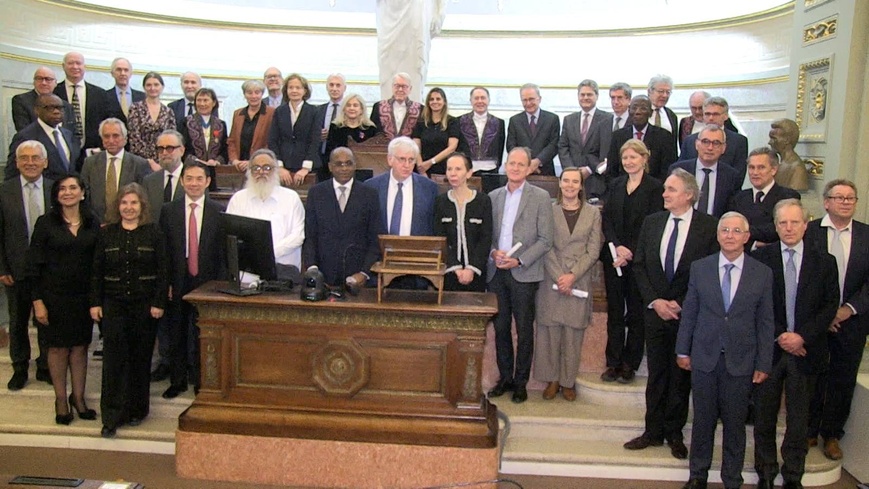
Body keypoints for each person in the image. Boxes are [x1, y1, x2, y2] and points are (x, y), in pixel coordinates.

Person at [675, 211, 774, 489]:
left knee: (735, 424)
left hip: (741, 361)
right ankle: (698, 476)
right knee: (702, 422)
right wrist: (683, 350)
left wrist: (764, 363)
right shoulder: (700, 267)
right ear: (718, 235)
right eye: (725, 230)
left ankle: (732, 478)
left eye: (736, 231)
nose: (730, 236)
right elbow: (690, 312)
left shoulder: (762, 273)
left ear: (746, 236)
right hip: (704, 357)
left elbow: (766, 321)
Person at [624, 168, 719, 460]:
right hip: (655, 312)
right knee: (656, 375)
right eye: (665, 189)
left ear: (689, 194)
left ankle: (674, 433)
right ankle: (651, 431)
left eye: (671, 189)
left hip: (688, 314)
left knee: (680, 377)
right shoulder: (652, 222)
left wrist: (679, 302)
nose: (664, 194)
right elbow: (639, 265)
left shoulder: (708, 226)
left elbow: (709, 271)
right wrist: (656, 301)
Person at [752, 199, 838, 489]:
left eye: (794, 222)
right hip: (770, 351)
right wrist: (782, 336)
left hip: (806, 350)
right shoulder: (761, 260)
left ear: (805, 224)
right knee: (764, 416)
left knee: (799, 421)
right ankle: (765, 472)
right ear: (775, 226)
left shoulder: (825, 261)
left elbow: (829, 306)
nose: (788, 228)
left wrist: (801, 336)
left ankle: (792, 475)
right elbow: (758, 306)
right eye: (782, 223)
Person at [90, 183, 168, 438]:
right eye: (124, 203)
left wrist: (158, 303)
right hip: (113, 305)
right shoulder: (106, 234)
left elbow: (163, 270)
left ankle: (137, 410)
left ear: (142, 206)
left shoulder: (153, 232)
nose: (129, 208)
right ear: (118, 206)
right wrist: (95, 303)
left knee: (139, 359)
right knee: (113, 361)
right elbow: (96, 271)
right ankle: (111, 416)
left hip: (145, 307)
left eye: (134, 203)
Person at [26, 174, 100, 424]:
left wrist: (96, 300)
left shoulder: (92, 222)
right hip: (53, 298)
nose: (68, 192)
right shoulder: (45, 223)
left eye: (73, 188)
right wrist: (37, 301)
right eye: (62, 189)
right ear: (56, 195)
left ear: (82, 192)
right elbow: (33, 265)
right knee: (57, 349)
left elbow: (97, 265)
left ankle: (78, 398)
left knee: (80, 348)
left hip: (83, 299)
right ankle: (60, 399)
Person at [806, 179, 869, 461]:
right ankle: (808, 429)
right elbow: (804, 278)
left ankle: (832, 434)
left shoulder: (867, 235)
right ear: (826, 202)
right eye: (839, 197)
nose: (845, 202)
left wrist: (848, 309)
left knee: (843, 379)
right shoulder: (809, 233)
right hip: (816, 320)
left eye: (850, 198)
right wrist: (825, 315)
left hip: (853, 321)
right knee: (813, 376)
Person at [486, 147, 555, 404]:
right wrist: (493, 253)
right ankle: (505, 378)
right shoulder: (493, 196)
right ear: (505, 166)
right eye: (511, 163)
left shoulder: (541, 197)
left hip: (524, 272)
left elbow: (545, 239)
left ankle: (520, 382)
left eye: (520, 164)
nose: (515, 168)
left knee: (524, 329)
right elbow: (487, 235)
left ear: (529, 168)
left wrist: (519, 259)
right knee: (501, 327)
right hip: (496, 272)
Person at [534, 167, 601, 401]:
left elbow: (593, 250)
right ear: (560, 184)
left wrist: (572, 275)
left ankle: (568, 381)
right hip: (551, 277)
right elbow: (544, 244)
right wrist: (559, 275)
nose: (571, 185)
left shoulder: (593, 213)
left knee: (573, 333)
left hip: (579, 279)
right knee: (550, 331)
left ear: (581, 186)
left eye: (575, 181)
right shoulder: (548, 210)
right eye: (566, 181)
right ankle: (552, 379)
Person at [160, 161, 226, 399]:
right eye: (189, 178)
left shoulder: (219, 211)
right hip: (178, 279)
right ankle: (177, 381)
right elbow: (164, 251)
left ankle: (201, 381)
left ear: (208, 182)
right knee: (176, 331)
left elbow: (222, 253)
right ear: (182, 181)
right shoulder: (169, 211)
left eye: (199, 179)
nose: (194, 183)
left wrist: (220, 286)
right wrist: (165, 283)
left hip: (207, 282)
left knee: (203, 333)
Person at [600, 140, 664, 384]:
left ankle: (630, 363)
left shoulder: (655, 188)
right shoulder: (615, 184)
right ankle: (613, 362)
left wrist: (632, 252)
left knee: (637, 312)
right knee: (615, 311)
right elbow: (607, 220)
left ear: (644, 158)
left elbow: (654, 224)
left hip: (640, 261)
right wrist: (617, 248)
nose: (628, 162)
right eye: (625, 158)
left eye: (633, 157)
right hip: (614, 258)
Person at [1, 141, 52, 390]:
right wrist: (2, 268)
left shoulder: (56, 189)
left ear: (45, 162)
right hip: (16, 269)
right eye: (25, 158)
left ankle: (45, 366)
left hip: (49, 270)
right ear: (17, 162)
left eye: (35, 157)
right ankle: (20, 367)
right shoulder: (5, 190)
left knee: (46, 320)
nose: (30, 162)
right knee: (18, 321)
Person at [303, 147, 382, 287]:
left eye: (348, 163)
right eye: (339, 164)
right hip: (323, 276)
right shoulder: (316, 193)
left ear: (355, 165)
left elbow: (375, 237)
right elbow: (310, 235)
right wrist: (312, 268)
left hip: (357, 276)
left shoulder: (369, 195)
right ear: (330, 167)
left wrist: (364, 273)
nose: (344, 168)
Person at [142, 130, 186, 383]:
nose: (166, 153)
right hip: (157, 258)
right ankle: (165, 360)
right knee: (162, 315)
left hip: (185, 257)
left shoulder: (193, 177)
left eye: (171, 148)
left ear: (182, 150)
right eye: (161, 149)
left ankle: (185, 363)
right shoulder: (149, 181)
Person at [226, 149, 305, 274]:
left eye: (267, 168)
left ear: (276, 171)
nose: (261, 172)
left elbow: (298, 235)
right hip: (247, 270)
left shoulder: (291, 198)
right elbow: (231, 234)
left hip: (284, 269)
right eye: (256, 168)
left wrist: (268, 253)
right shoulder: (238, 199)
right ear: (249, 172)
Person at [433, 152, 493, 292]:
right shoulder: (440, 202)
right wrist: (455, 267)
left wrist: (472, 269)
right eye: (449, 169)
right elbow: (440, 238)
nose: (453, 173)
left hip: (476, 273)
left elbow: (485, 238)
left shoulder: (483, 201)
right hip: (449, 272)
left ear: (469, 173)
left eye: (458, 169)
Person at [727, 147, 801, 251]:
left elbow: (777, 230)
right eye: (751, 167)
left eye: (761, 167)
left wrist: (743, 231)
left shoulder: (788, 196)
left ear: (774, 170)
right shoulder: (738, 198)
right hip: (743, 257)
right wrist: (754, 243)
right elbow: (730, 229)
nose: (755, 172)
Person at [365, 136, 438, 237]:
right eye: (402, 159)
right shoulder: (372, 187)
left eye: (411, 160)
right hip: (379, 251)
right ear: (390, 159)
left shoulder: (429, 188)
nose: (407, 165)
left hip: (416, 250)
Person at [81, 118, 151, 223]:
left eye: (116, 136)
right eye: (106, 136)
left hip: (129, 224)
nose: (111, 140)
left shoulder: (139, 164)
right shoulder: (90, 163)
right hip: (97, 224)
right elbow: (84, 195)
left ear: (125, 138)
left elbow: (144, 199)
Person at [557, 79, 613, 199]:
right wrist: (572, 171)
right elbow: (563, 147)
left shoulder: (607, 119)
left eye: (589, 94)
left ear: (597, 96)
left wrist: (590, 168)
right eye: (582, 94)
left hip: (596, 180)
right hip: (571, 181)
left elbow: (607, 148)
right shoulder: (569, 119)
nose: (585, 97)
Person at [669, 125, 740, 219]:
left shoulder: (731, 176)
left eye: (716, 143)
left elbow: (730, 212)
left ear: (723, 148)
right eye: (705, 142)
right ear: (696, 144)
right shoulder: (679, 170)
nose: (710, 148)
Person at [7, 94, 81, 180]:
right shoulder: (25, 136)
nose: (56, 111)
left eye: (60, 108)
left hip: (66, 191)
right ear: (37, 110)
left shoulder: (68, 134)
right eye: (50, 108)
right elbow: (12, 172)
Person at [679, 97, 749, 188]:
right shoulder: (690, 141)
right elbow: (681, 171)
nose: (711, 118)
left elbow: (739, 175)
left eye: (716, 114)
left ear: (726, 116)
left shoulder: (739, 141)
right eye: (707, 114)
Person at [607, 95, 677, 182]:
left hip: (654, 189)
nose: (638, 112)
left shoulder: (664, 136)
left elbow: (667, 169)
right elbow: (611, 169)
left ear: (651, 112)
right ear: (629, 111)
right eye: (634, 108)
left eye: (643, 108)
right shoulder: (618, 136)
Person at [268, 73, 320, 187]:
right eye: (291, 87)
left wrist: (305, 168)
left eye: (298, 87)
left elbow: (315, 140)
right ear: (286, 90)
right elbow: (273, 140)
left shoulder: (314, 111)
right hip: (283, 166)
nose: (294, 90)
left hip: (306, 167)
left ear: (305, 91)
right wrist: (279, 167)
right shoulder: (279, 111)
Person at [53, 52, 107, 153]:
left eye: (78, 63)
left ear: (84, 66)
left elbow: (106, 123)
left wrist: (101, 148)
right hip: (62, 152)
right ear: (63, 66)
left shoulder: (100, 94)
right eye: (71, 63)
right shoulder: (54, 93)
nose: (75, 66)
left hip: (92, 152)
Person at [505, 83, 560, 176]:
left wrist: (537, 162)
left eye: (531, 99)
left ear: (539, 99)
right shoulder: (514, 120)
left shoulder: (552, 119)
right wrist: (527, 164)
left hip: (545, 172)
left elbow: (554, 144)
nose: (528, 103)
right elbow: (511, 145)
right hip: (521, 172)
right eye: (524, 100)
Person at [180, 87, 228, 192]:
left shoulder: (221, 124)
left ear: (214, 102)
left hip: (214, 173)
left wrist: (216, 161)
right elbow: (182, 147)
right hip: (192, 171)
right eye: (199, 100)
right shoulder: (186, 122)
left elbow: (225, 148)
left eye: (205, 100)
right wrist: (196, 161)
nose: (202, 104)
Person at [127, 72, 176, 172]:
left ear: (162, 87)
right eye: (149, 85)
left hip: (163, 163)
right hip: (140, 162)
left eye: (156, 84)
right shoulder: (135, 108)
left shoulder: (168, 111)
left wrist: (161, 160)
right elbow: (134, 138)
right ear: (144, 87)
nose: (152, 88)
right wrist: (150, 161)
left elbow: (172, 138)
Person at [227, 80, 276, 173]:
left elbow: (271, 142)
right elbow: (232, 140)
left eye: (257, 92)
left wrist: (253, 161)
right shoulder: (238, 114)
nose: (253, 96)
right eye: (249, 93)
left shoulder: (271, 113)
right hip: (239, 166)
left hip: (261, 166)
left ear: (262, 94)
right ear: (244, 94)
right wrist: (234, 160)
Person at [456, 86, 506, 175]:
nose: (480, 101)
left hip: (491, 169)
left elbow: (500, 148)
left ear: (488, 100)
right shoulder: (459, 121)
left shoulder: (499, 122)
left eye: (483, 98)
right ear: (470, 101)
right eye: (476, 98)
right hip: (466, 169)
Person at [412, 87, 460, 175]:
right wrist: (422, 169)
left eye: (438, 99)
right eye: (431, 99)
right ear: (428, 103)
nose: (435, 102)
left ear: (444, 102)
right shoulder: (420, 122)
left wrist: (431, 162)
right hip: (422, 170)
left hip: (444, 170)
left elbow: (452, 148)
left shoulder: (452, 122)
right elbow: (416, 148)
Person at [323, 93, 378, 170]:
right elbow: (329, 151)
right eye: (348, 105)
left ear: (361, 109)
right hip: (341, 168)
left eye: (355, 105)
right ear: (344, 109)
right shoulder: (336, 127)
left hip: (364, 169)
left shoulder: (369, 128)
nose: (351, 108)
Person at [11, 66, 76, 132]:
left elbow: (73, 135)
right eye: (39, 79)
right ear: (34, 82)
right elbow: (23, 131)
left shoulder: (67, 106)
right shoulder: (21, 101)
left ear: (55, 83)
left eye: (48, 79)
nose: (43, 83)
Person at [369, 72, 422, 140]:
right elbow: (373, 133)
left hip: (409, 149)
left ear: (410, 89)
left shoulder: (420, 109)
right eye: (397, 86)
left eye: (404, 86)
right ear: (392, 87)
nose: (400, 89)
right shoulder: (378, 107)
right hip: (384, 149)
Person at [316, 73, 347, 169]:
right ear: (327, 87)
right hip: (322, 158)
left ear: (344, 88)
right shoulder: (318, 110)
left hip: (343, 157)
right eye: (331, 85)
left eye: (338, 85)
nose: (334, 88)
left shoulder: (349, 109)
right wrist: (318, 135)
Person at [769, 119, 809, 191]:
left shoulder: (797, 169)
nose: (769, 142)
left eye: (774, 138)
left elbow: (795, 197)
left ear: (787, 140)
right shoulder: (779, 164)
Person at [104, 58, 144, 125]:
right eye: (119, 70)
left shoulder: (142, 97)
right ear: (112, 73)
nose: (122, 73)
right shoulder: (104, 96)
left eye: (126, 70)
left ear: (131, 73)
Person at [647, 74, 678, 145]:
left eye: (668, 92)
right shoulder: (639, 112)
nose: (665, 95)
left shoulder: (671, 115)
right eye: (661, 91)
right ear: (649, 91)